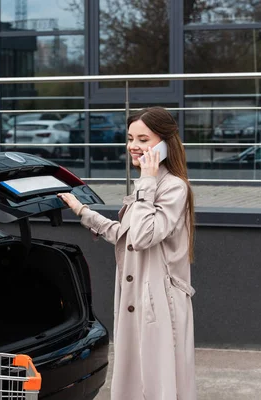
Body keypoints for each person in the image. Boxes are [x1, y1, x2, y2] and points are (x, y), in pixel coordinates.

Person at [58, 107, 197, 400]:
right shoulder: (147, 186)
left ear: (163, 144)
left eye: (144, 139)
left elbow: (145, 235)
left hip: (160, 301)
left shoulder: (172, 188)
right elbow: (127, 236)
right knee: (135, 377)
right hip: (136, 296)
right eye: (131, 137)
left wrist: (146, 179)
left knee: (157, 382)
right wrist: (82, 211)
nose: (133, 145)